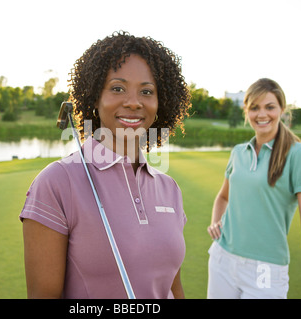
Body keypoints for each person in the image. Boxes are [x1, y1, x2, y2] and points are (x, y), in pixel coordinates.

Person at [20, 31, 191, 299]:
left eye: (146, 91)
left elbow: (173, 287)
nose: (133, 102)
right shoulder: (56, 183)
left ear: (160, 103)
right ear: (94, 97)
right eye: (117, 88)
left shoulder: (170, 188)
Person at [207, 78, 301, 299]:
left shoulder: (300, 155)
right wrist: (216, 223)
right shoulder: (238, 152)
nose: (261, 114)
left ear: (282, 109)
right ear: (246, 111)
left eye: (269, 107)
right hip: (222, 260)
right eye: (254, 107)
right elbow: (223, 197)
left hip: (266, 269)